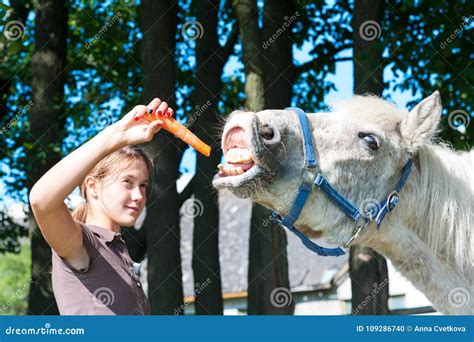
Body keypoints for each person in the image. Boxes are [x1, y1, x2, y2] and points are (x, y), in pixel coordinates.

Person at [29, 98, 173, 315]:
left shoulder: (118, 251)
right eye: (128, 182)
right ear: (92, 186)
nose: (139, 195)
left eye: (143, 185)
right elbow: (41, 200)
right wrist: (117, 134)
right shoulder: (83, 243)